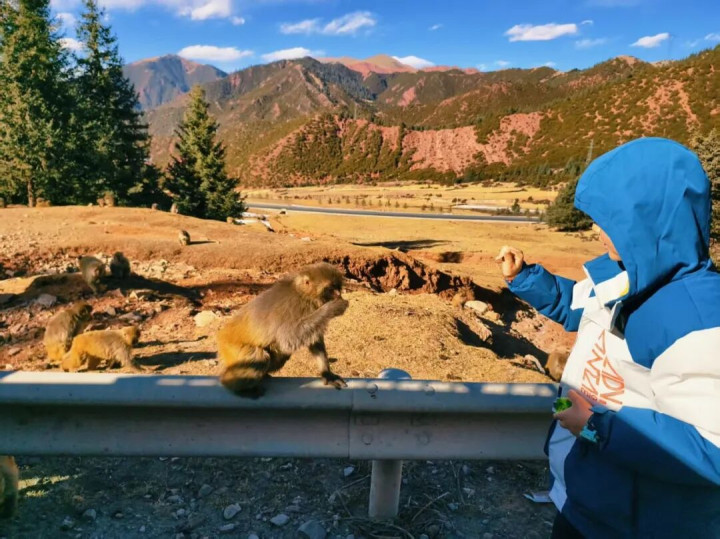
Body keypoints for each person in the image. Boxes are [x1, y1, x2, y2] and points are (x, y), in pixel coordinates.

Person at [497, 137, 720, 538]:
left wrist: (594, 425)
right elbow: (574, 305)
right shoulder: (626, 276)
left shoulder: (698, 320)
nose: (596, 229)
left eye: (610, 219)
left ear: (648, 218)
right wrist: (525, 278)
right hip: (589, 496)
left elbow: (711, 448)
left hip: (633, 522)